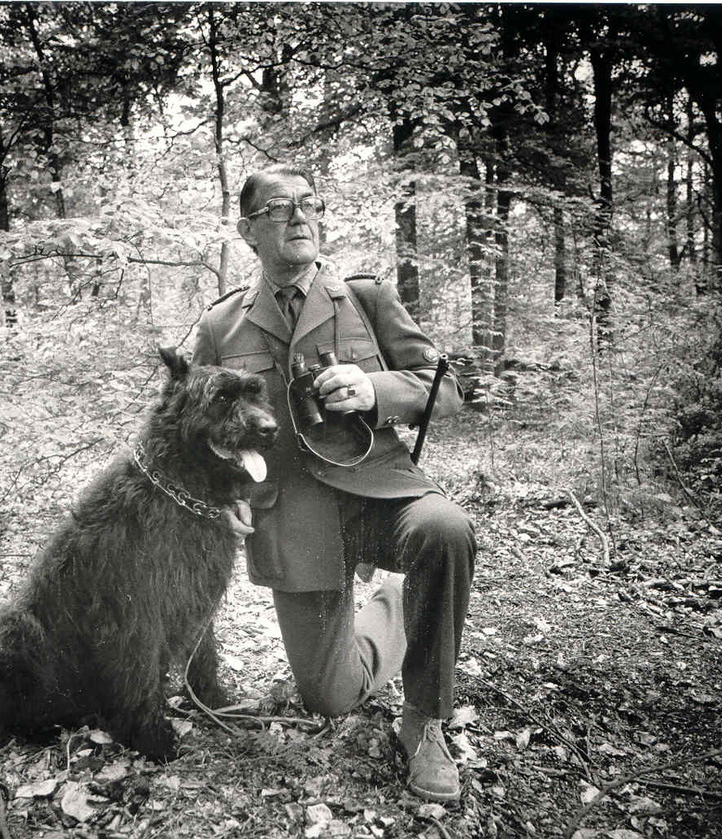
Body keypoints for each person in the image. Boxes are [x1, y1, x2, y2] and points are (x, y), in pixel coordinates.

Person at [192, 163, 476, 802]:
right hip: (294, 519)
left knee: (445, 529)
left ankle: (424, 720)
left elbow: (446, 389)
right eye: (278, 207)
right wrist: (222, 494)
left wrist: (374, 389)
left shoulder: (366, 299)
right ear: (248, 231)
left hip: (380, 492)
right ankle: (396, 605)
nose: (299, 216)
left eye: (309, 204)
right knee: (330, 697)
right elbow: (196, 427)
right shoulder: (221, 325)